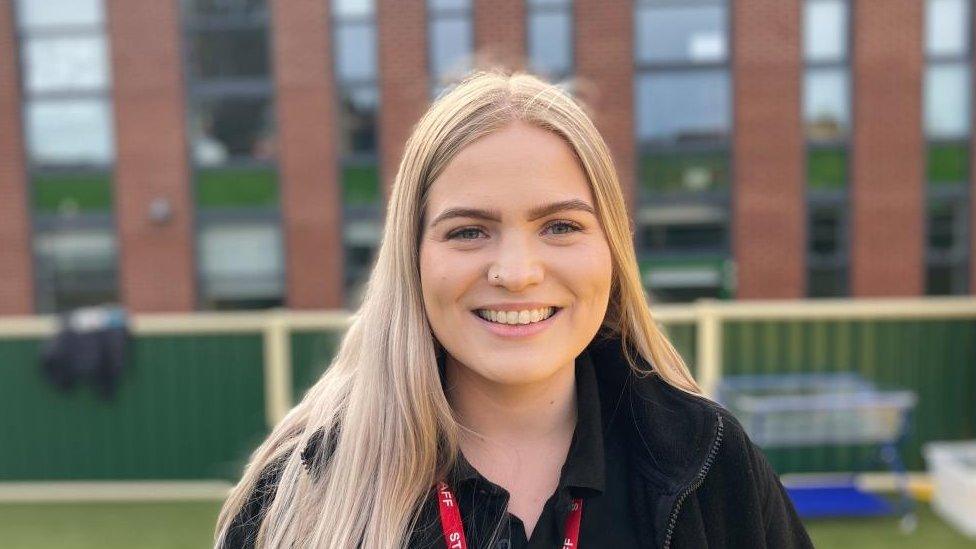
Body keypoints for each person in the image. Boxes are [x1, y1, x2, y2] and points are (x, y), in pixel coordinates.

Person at [213, 69, 813, 549]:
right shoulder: (298, 495)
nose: (517, 272)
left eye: (559, 225)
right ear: (411, 259)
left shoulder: (709, 462)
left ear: (611, 248)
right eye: (469, 232)